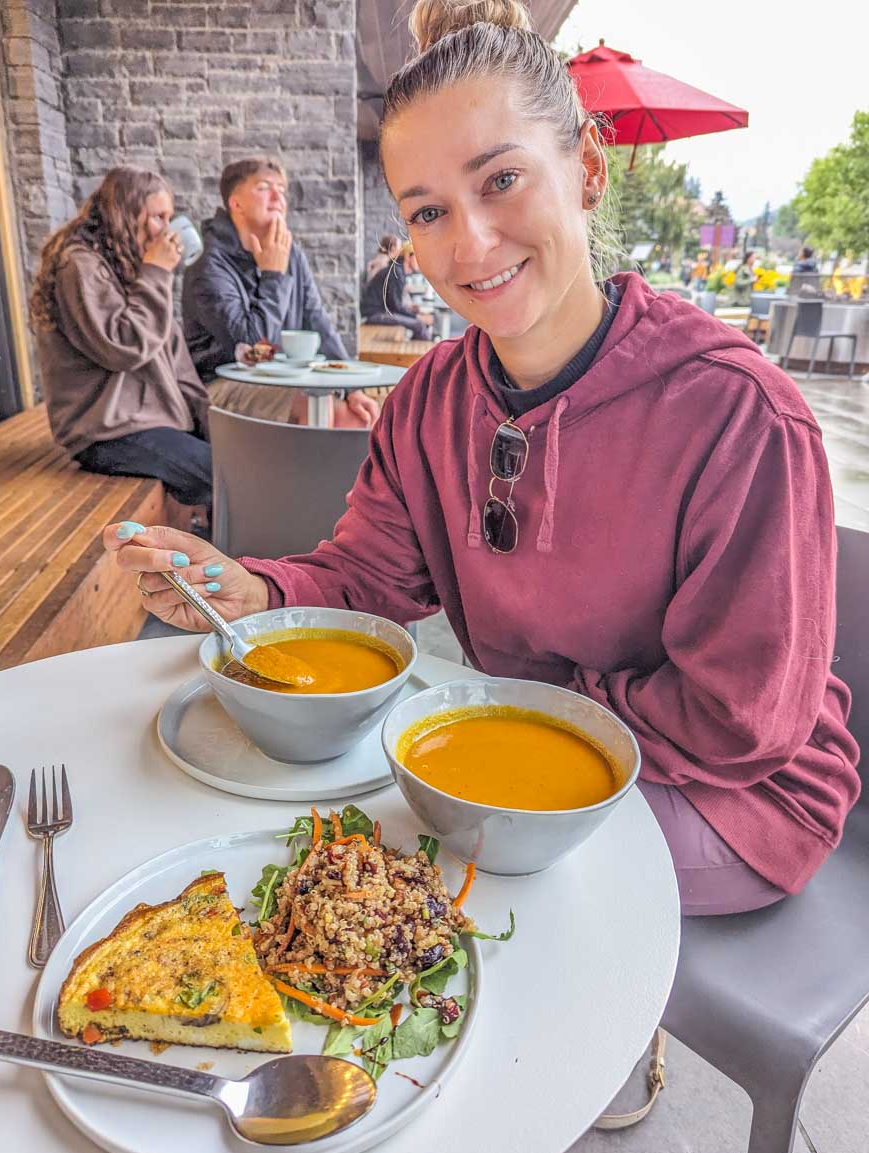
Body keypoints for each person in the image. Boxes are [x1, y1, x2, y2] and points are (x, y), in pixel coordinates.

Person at [104, 0, 859, 925]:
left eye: (501, 179)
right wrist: (251, 592)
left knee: (427, 880)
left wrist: (509, 713)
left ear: (585, 167)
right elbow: (367, 577)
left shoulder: (737, 414)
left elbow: (745, 717)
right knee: (333, 850)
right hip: (522, 737)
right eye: (428, 212)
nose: (469, 245)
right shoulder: (428, 399)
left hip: (739, 796)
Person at [30, 166, 213, 510]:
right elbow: (124, 347)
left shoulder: (131, 268)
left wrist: (209, 420)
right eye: (158, 217)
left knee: (239, 462)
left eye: (169, 217)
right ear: (125, 215)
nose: (167, 231)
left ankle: (230, 554)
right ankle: (220, 558)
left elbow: (177, 364)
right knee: (219, 475)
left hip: (150, 421)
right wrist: (158, 272)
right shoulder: (79, 266)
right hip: (107, 431)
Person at [182, 158, 378, 427]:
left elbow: (318, 322)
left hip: (285, 381)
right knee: (315, 406)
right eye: (264, 188)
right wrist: (273, 275)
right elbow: (252, 346)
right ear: (235, 203)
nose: (278, 197)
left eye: (282, 190)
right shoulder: (209, 263)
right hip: (220, 388)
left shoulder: (291, 254)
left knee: (358, 416)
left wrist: (352, 389)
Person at [360, 240, 434, 339]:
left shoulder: (397, 270)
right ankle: (419, 352)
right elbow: (396, 307)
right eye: (418, 257)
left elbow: (394, 303)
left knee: (420, 323)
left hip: (382, 312)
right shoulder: (396, 273)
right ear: (408, 256)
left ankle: (416, 351)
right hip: (375, 314)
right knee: (419, 325)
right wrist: (418, 317)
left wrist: (413, 311)